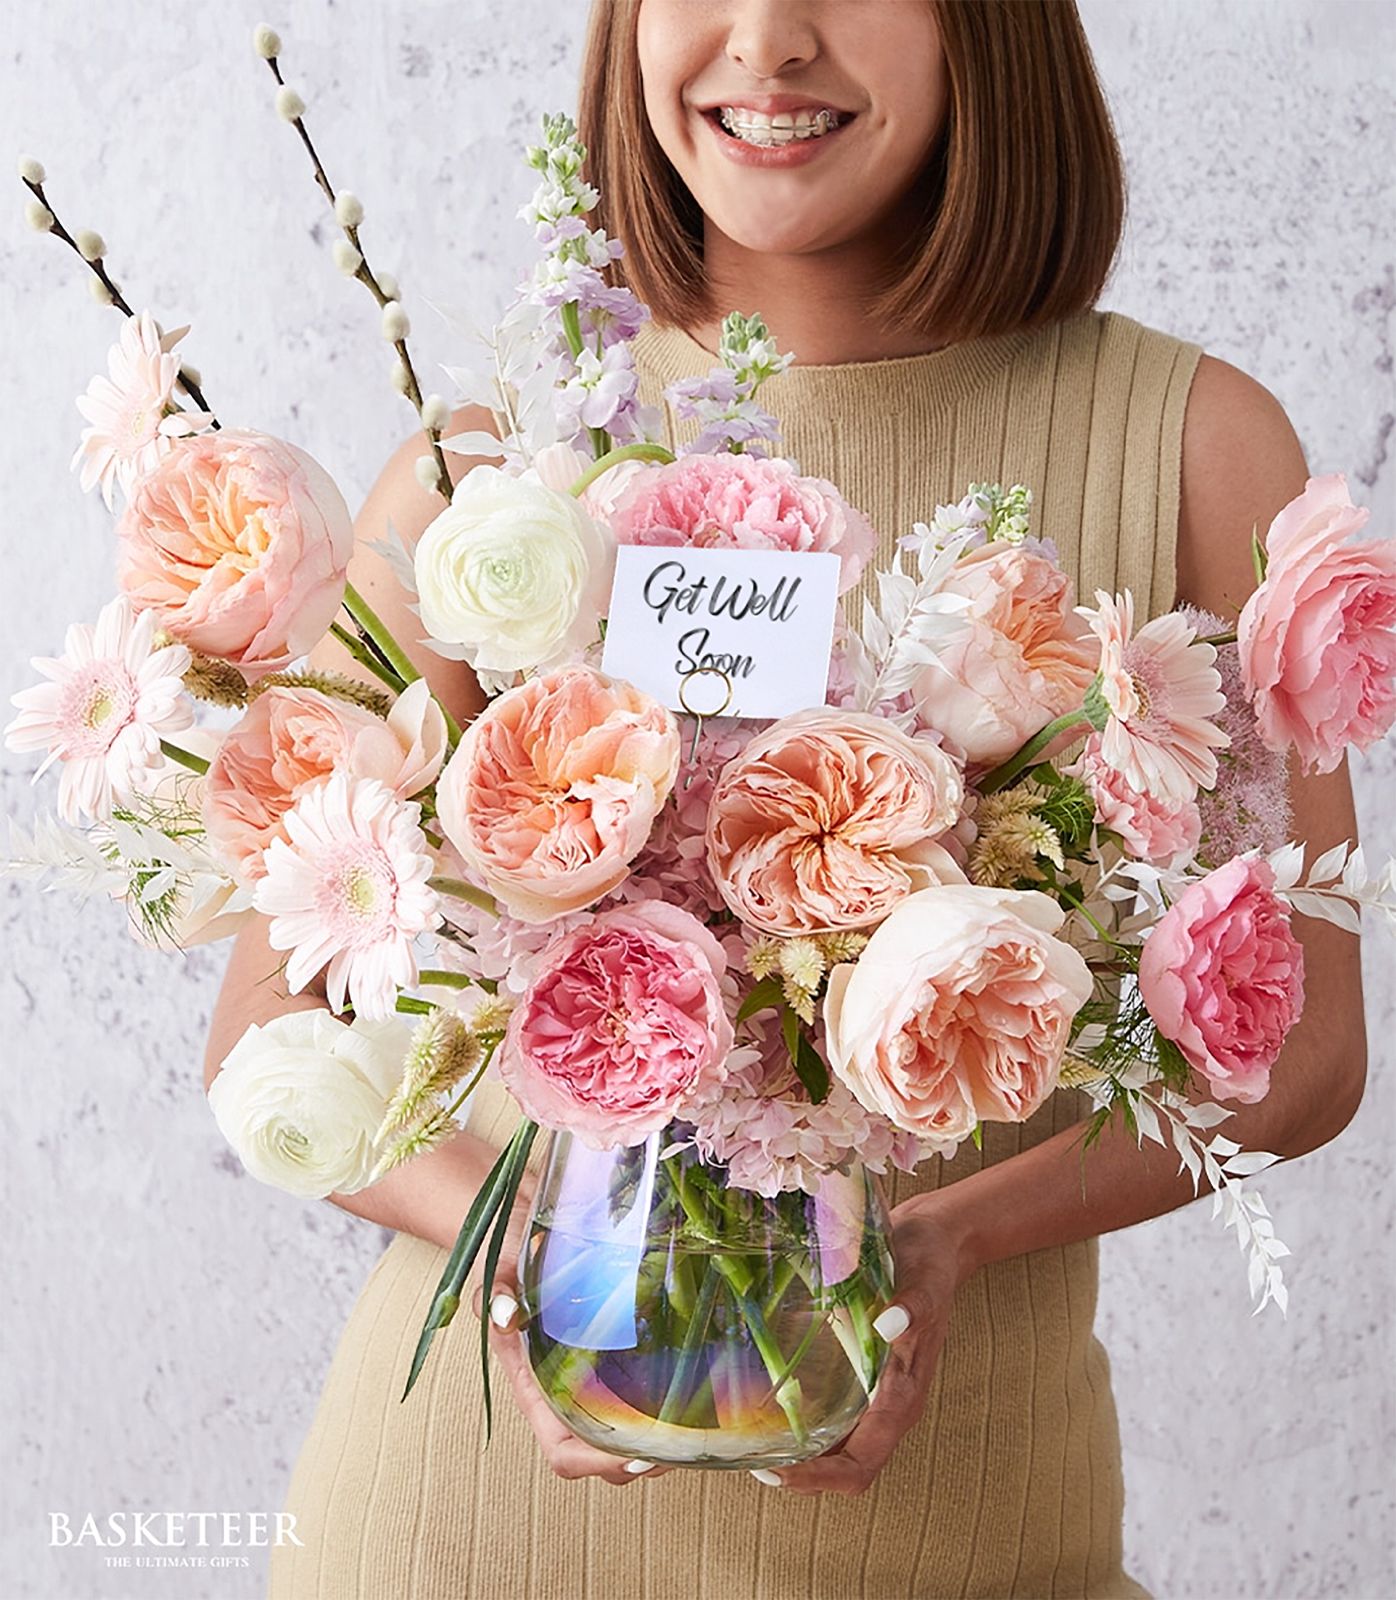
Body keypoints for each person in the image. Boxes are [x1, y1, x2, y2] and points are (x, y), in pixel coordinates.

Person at [204, 3, 1368, 1595]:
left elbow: (1304, 1050)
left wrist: (946, 1245)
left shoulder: (1192, 448)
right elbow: (266, 1027)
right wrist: (529, 1264)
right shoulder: (493, 475)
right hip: (456, 1541)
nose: (767, 40)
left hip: (974, 1541)